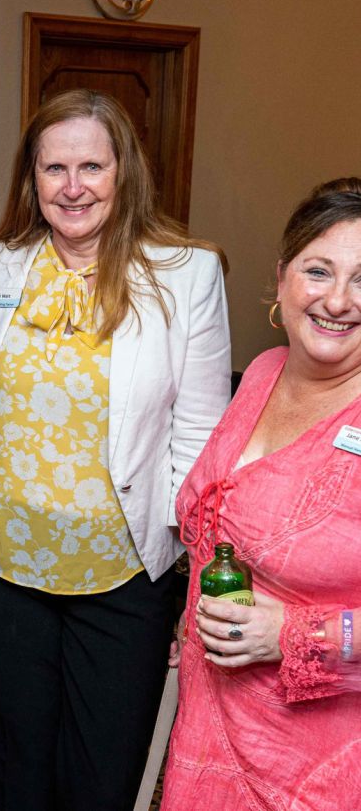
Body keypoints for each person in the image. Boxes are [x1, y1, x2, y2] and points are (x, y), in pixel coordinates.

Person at [0, 88, 231, 810]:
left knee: (103, 772)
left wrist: (194, 582)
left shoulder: (185, 275)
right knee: (11, 766)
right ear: (31, 179)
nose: (72, 186)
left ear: (123, 172)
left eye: (91, 167)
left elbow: (203, 444)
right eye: (54, 169)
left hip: (122, 576)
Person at [161, 184, 361, 810]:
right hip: (210, 727)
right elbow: (223, 525)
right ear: (282, 277)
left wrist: (295, 635)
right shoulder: (265, 372)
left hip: (312, 764)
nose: (336, 299)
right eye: (318, 270)